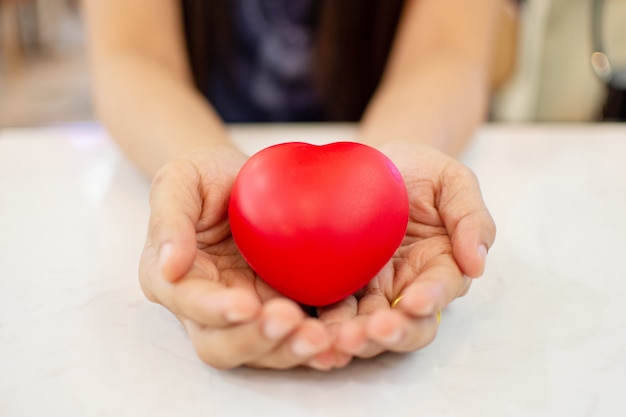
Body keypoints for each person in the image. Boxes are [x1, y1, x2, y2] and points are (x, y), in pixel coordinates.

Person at [83, 0, 505, 370]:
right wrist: (202, 168)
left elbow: (447, 49)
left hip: (386, 128)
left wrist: (386, 167)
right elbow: (132, 52)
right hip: (202, 133)